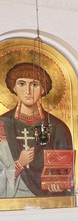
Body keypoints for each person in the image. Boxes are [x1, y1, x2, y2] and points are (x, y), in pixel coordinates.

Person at [1, 62, 73, 198]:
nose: (28, 91)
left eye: (34, 84)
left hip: (48, 200)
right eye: (22, 84)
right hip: (12, 200)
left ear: (43, 89)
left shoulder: (58, 128)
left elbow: (65, 171)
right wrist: (19, 164)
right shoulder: (2, 125)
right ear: (14, 87)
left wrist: (59, 183)